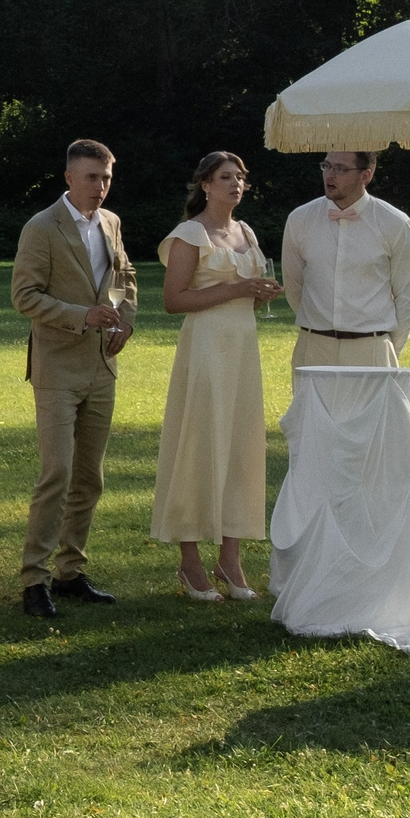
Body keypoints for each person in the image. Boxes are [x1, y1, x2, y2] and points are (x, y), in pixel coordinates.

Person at [11, 139, 139, 618]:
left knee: (90, 477)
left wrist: (125, 319)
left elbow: (125, 276)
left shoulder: (111, 222)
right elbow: (24, 296)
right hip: (57, 367)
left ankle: (70, 572)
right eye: (91, 177)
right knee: (57, 473)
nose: (100, 187)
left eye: (106, 177)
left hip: (102, 367)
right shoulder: (41, 228)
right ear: (68, 177)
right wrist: (81, 316)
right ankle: (34, 579)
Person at [153, 152, 283, 600]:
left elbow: (249, 290)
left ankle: (231, 559)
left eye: (240, 178)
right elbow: (174, 300)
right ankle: (190, 562)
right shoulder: (190, 234)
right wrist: (239, 288)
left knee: (240, 445)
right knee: (198, 442)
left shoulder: (244, 232)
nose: (236, 184)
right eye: (226, 177)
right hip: (206, 349)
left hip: (243, 349)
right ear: (204, 184)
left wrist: (260, 292)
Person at [280, 150, 410, 370]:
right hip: (314, 349)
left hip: (371, 349)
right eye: (326, 166)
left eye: (340, 169)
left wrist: (388, 347)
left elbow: (407, 296)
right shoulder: (300, 219)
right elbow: (294, 285)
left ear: (366, 175)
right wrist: (319, 324)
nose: (330, 175)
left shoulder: (395, 223)